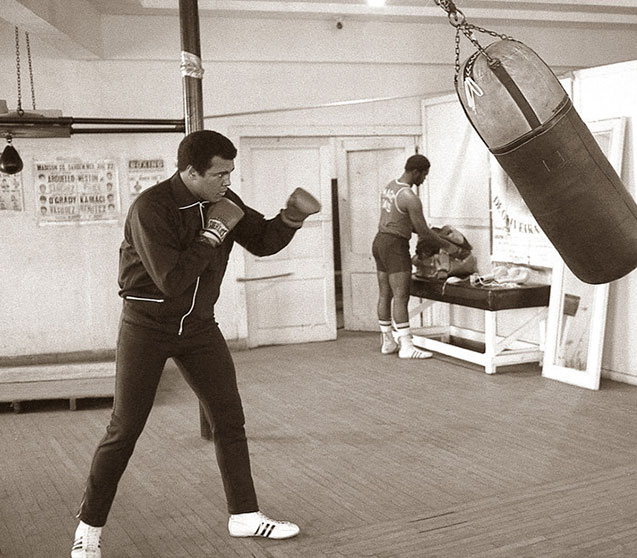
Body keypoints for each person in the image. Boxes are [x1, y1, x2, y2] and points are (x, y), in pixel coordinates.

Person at [70, 130, 321, 558]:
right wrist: (212, 233)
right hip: (147, 325)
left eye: (231, 172)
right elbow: (172, 279)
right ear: (190, 171)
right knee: (125, 428)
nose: (228, 181)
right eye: (219, 173)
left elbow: (261, 241)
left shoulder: (224, 201)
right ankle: (89, 528)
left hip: (199, 327)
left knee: (229, 418)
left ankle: (244, 514)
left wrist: (291, 218)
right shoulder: (151, 208)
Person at [371, 153, 450, 359]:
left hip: (379, 241)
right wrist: (447, 245)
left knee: (384, 294)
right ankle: (406, 346)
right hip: (394, 245)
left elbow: (402, 220)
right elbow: (422, 231)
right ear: (415, 172)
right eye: (424, 175)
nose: (424, 179)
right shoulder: (410, 197)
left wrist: (430, 232)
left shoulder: (390, 186)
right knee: (401, 295)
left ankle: (387, 341)